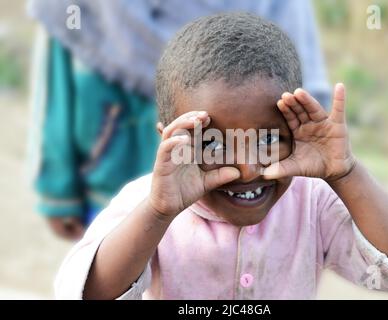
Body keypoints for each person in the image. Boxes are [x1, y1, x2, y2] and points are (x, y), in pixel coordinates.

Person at [54, 13, 388, 299]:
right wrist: (157, 213)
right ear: (170, 141)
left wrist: (346, 173)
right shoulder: (151, 203)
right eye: (213, 144)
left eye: (269, 139)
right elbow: (86, 294)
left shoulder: (313, 200)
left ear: (296, 130)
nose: (247, 168)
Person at [27, 0, 330, 240]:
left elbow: (306, 87)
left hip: (240, 195)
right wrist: (57, 188)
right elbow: (57, 85)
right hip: (109, 181)